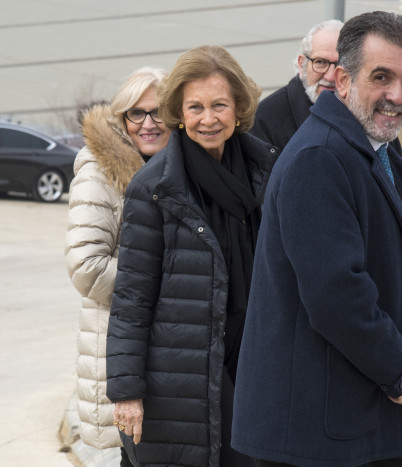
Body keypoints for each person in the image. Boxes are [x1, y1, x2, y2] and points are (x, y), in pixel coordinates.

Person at [231, 11, 402, 467]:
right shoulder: (320, 158)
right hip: (317, 412)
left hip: (361, 386)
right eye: (381, 76)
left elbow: (392, 272)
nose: (397, 95)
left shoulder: (376, 145)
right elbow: (335, 293)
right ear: (342, 81)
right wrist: (400, 370)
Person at [106, 45, 278, 467]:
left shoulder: (268, 171)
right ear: (178, 114)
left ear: (238, 107)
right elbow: (132, 300)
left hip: (253, 356)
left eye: (219, 105)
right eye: (195, 107)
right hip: (184, 369)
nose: (208, 118)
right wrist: (127, 391)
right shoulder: (154, 188)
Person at [64, 66, 170, 467]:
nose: (148, 124)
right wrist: (166, 287)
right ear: (121, 117)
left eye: (158, 112)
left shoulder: (175, 168)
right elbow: (86, 267)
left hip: (165, 346)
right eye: (136, 113)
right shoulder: (99, 173)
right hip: (117, 345)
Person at [250, 19, 342, 153]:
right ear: (301, 64)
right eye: (320, 62)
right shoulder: (265, 119)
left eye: (340, 64)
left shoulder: (363, 110)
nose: (330, 76)